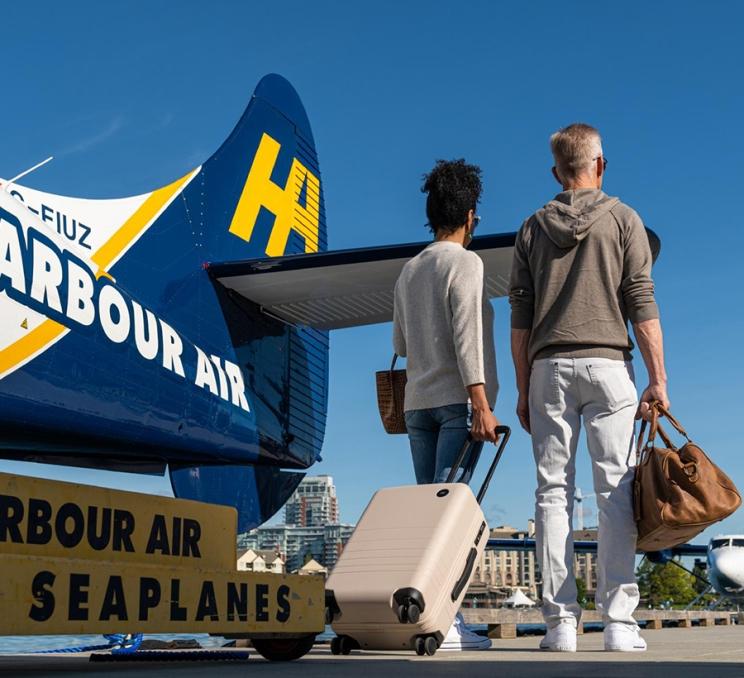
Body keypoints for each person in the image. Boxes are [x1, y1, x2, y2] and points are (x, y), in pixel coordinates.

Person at [509, 124, 669, 653]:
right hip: (608, 365)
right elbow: (641, 303)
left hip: (548, 368)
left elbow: (520, 318)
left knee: (551, 494)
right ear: (600, 164)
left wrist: (521, 387)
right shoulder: (624, 219)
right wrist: (658, 379)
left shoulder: (531, 228)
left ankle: (559, 625)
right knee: (615, 490)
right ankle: (619, 623)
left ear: (557, 172)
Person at [392, 158, 499, 651]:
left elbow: (402, 341)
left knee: (427, 519)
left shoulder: (409, 271)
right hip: (460, 401)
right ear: (471, 215)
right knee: (450, 522)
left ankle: (429, 616)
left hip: (417, 404)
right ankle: (444, 623)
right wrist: (480, 402)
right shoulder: (467, 263)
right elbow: (467, 336)